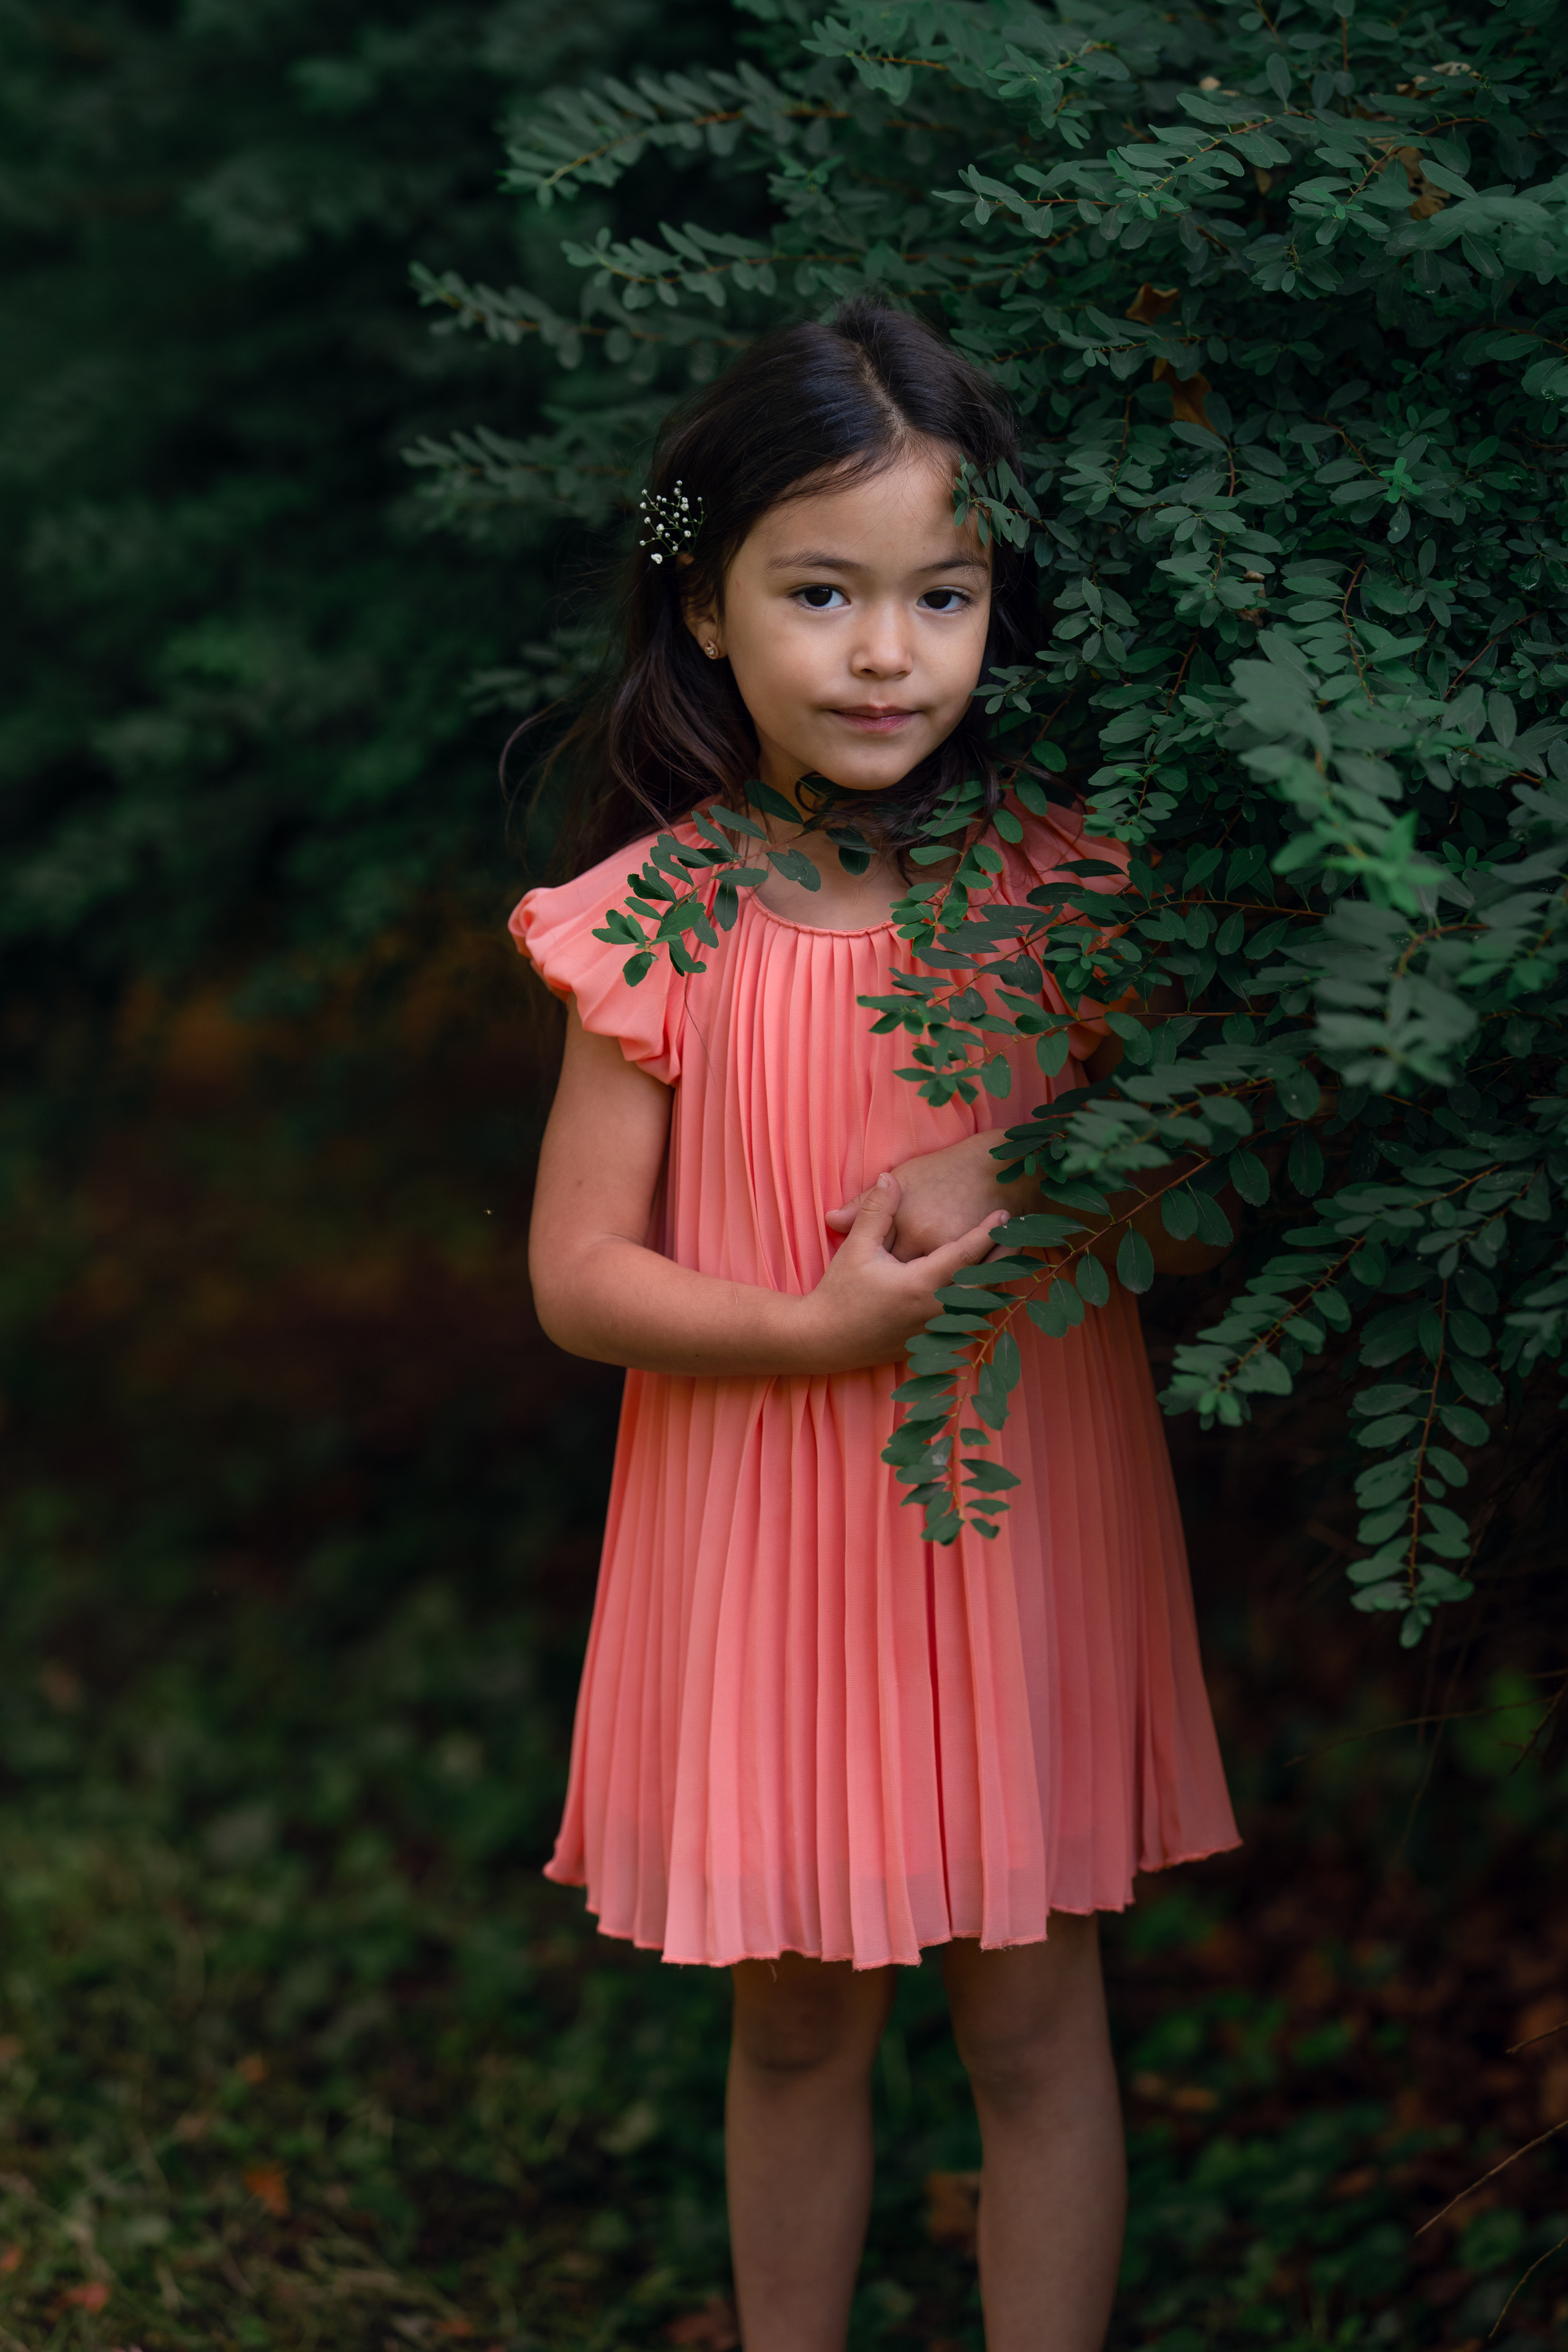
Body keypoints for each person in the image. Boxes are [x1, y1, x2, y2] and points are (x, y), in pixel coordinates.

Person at [514, 299, 1238, 2352]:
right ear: (710, 608)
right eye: (821, 592)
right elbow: (578, 1278)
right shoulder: (662, 919)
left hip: (1016, 1528)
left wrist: (1023, 1161)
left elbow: (1189, 1174)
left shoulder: (1071, 894)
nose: (888, 652)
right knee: (799, 2033)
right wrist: (823, 1333)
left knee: (1032, 2020)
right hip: (767, 1526)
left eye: (944, 593)